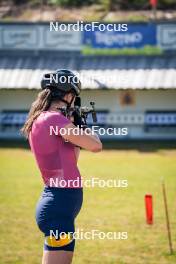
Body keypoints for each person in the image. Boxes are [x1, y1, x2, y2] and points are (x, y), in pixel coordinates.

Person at [21, 69, 102, 264]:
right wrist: (82, 126)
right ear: (68, 95)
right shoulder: (53, 119)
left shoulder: (43, 119)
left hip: (59, 203)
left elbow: (71, 158)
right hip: (59, 205)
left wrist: (74, 125)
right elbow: (96, 145)